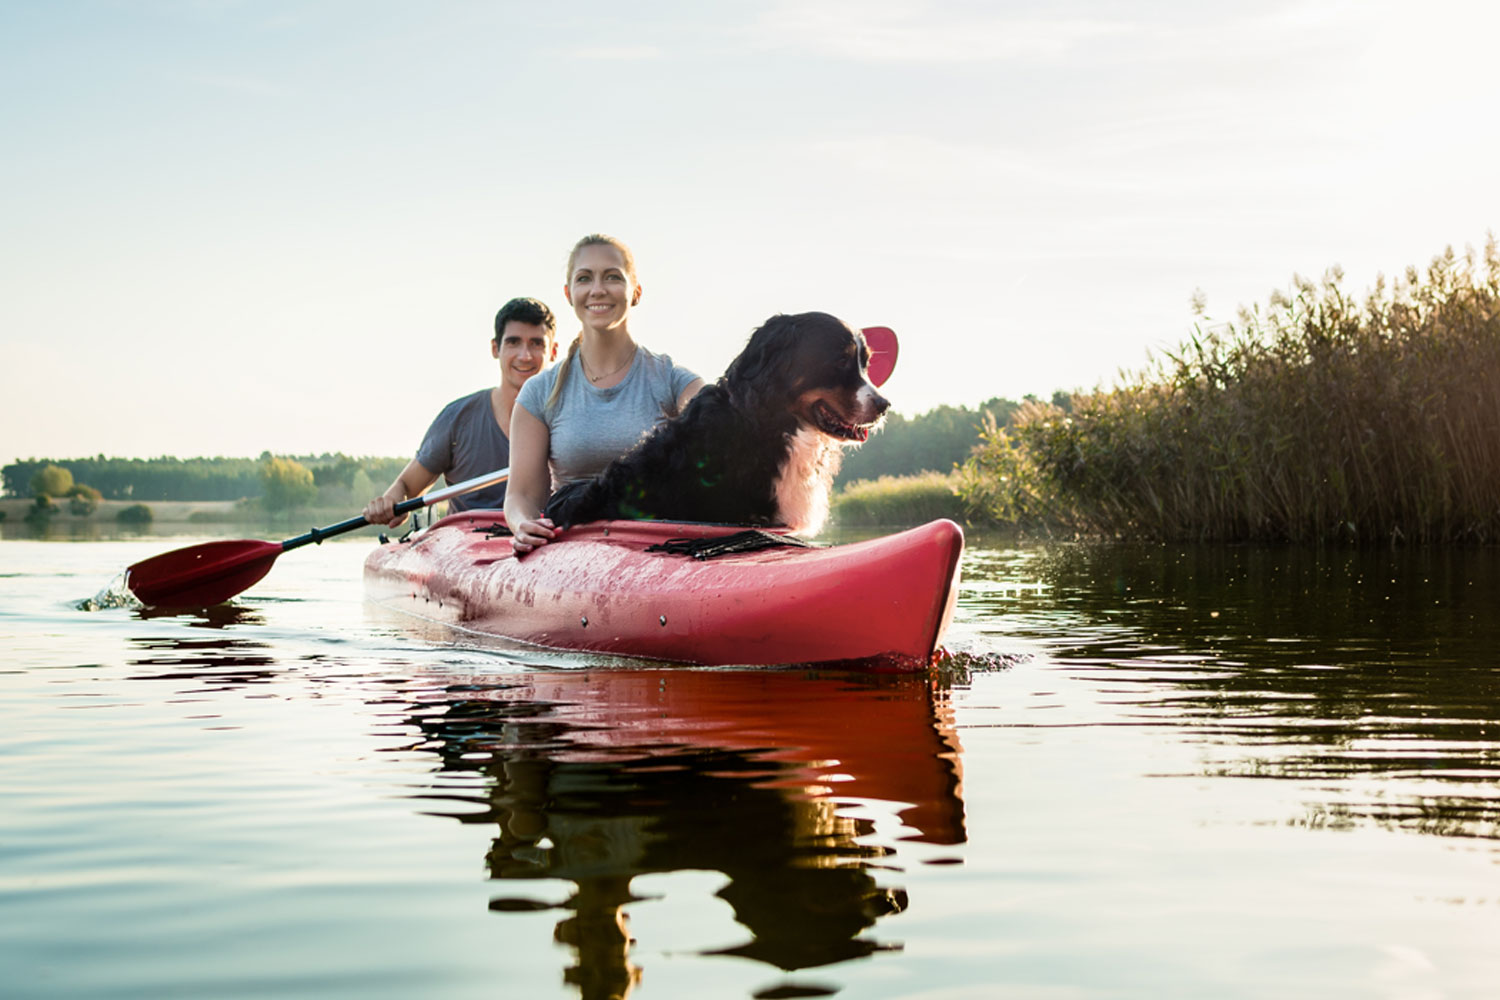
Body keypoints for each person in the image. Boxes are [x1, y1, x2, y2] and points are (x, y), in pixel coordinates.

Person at [505, 234, 704, 554]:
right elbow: (522, 495)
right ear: (569, 294)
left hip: (654, 549)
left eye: (612, 277)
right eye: (585, 278)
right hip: (572, 551)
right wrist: (522, 524)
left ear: (635, 292)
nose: (597, 289)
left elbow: (717, 417)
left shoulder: (671, 380)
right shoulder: (539, 392)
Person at [363, 296, 557, 528]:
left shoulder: (571, 420)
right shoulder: (458, 418)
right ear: (495, 348)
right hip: (467, 544)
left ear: (553, 351)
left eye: (536, 344)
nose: (525, 356)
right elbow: (406, 487)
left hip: (544, 538)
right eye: (513, 342)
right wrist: (391, 502)